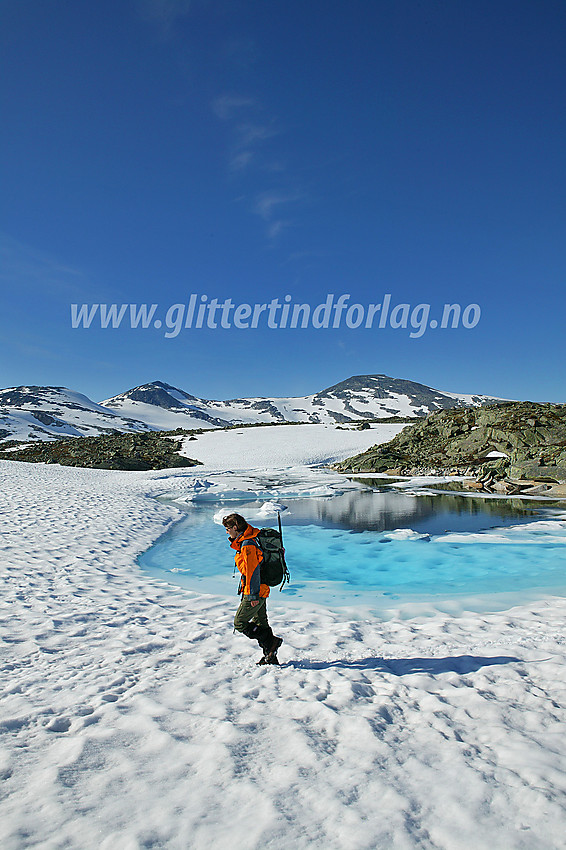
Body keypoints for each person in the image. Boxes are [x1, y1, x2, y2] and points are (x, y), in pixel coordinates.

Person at [222, 512, 283, 665]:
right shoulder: (247, 539)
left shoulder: (248, 544)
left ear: (236, 527)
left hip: (256, 591)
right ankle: (271, 656)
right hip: (260, 589)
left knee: (240, 623)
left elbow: (252, 571)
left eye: (228, 528)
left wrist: (253, 596)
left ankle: (271, 642)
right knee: (260, 622)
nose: (227, 531)